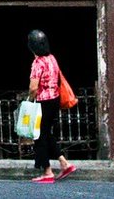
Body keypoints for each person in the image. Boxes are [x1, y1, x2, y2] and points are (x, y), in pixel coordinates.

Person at [27, 29, 77, 184]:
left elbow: (34, 87)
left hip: (43, 102)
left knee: (39, 136)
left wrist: (29, 100)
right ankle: (64, 163)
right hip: (54, 100)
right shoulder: (52, 59)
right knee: (46, 133)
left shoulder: (37, 63)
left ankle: (47, 172)